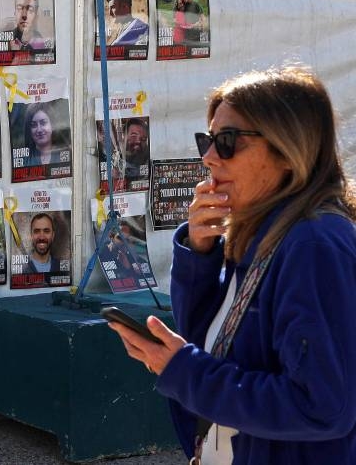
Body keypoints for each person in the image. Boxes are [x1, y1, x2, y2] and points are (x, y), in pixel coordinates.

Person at [107, 65, 356, 464]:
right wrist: (199, 257)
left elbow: (322, 406)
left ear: (289, 151)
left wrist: (185, 373)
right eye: (207, 139)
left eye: (227, 141)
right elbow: (212, 345)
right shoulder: (264, 232)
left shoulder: (314, 244)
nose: (207, 158)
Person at [22, 102, 63, 167]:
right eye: (34, 125)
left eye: (43, 123)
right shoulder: (24, 160)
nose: (39, 130)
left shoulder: (64, 154)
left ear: (52, 124)